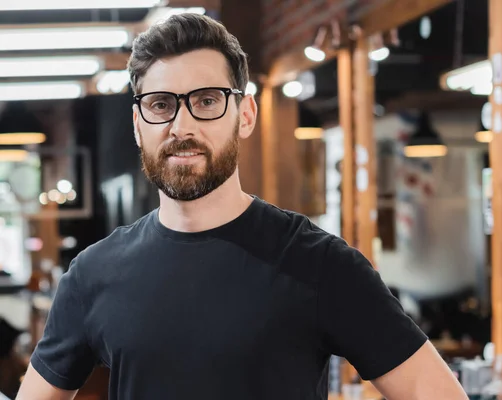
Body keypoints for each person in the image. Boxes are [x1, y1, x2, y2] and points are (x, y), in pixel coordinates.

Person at [17, 13, 467, 400]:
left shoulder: (319, 265)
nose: (182, 125)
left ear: (245, 114)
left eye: (207, 101)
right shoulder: (94, 274)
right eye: (160, 105)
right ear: (138, 125)